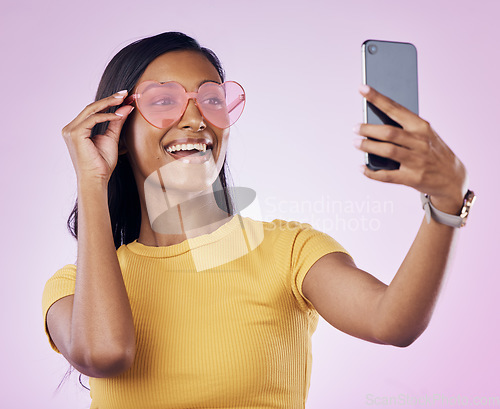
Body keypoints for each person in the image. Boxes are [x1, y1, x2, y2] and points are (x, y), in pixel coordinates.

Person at [42, 31, 474, 409]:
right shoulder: (73, 288)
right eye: (164, 101)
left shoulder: (289, 251)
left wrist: (447, 201)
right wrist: (92, 180)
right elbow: (104, 354)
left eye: (212, 99)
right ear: (113, 126)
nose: (195, 119)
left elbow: (391, 321)